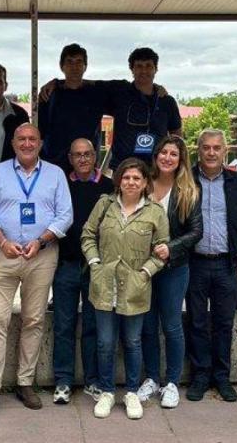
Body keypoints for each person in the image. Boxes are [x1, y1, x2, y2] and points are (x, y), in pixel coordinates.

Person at [0, 123, 73, 421]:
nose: (27, 143)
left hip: (41, 255)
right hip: (2, 255)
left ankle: (25, 383)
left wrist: (42, 240)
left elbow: (65, 214)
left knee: (33, 320)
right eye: (22, 139)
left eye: (32, 139)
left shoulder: (55, 174)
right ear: (14, 143)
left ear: (40, 143)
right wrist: (2, 241)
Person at [81, 158, 169, 420]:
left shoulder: (155, 211)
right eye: (127, 177)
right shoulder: (104, 204)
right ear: (119, 180)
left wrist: (145, 273)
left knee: (132, 342)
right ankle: (107, 392)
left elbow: (162, 249)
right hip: (104, 284)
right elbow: (87, 234)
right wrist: (95, 263)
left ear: (145, 184)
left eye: (137, 178)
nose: (131, 182)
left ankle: (131, 392)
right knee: (105, 342)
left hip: (135, 287)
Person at [138, 135, 202, 409]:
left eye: (173, 154)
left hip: (174, 268)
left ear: (181, 159)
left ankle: (172, 382)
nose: (167, 158)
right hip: (142, 268)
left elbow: (196, 232)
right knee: (147, 325)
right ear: (155, 156)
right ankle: (151, 378)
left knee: (172, 324)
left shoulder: (188, 189)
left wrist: (170, 248)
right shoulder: (142, 184)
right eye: (163, 152)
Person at [186, 129, 237, 403]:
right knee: (197, 322)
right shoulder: (186, 180)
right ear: (198, 150)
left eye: (216, 148)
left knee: (224, 323)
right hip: (195, 263)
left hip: (226, 264)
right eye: (206, 147)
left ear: (225, 151)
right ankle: (200, 375)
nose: (211, 153)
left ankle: (222, 377)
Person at [51, 137, 114, 405]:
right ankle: (63, 380)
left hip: (95, 268)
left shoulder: (109, 186)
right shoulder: (59, 183)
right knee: (63, 324)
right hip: (65, 264)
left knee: (92, 326)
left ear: (95, 155)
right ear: (70, 158)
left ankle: (92, 380)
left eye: (88, 154)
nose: (83, 159)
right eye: (77, 155)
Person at [37, 44, 110, 171]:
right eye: (69, 62)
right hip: (55, 164)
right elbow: (41, 132)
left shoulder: (98, 94)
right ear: (62, 66)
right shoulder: (49, 95)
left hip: (85, 165)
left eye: (79, 62)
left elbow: (124, 87)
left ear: (85, 66)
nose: (74, 67)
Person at [107, 47, 182, 170]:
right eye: (139, 66)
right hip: (123, 170)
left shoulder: (167, 102)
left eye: (148, 66)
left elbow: (177, 137)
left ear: (156, 69)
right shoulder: (119, 95)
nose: (144, 70)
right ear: (132, 69)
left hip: (156, 170)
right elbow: (92, 87)